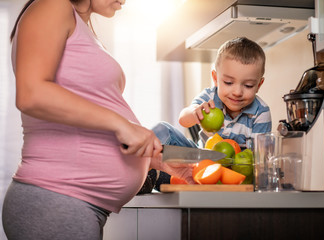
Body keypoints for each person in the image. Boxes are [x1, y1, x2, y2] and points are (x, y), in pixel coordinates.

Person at [2, 0, 194, 239]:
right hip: (57, 200)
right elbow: (32, 94)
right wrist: (122, 124)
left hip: (72, 204)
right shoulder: (52, 5)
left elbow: (87, 119)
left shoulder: (82, 26)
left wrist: (154, 160)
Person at [150, 37, 272, 188]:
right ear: (215, 78)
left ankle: (159, 178)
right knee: (162, 130)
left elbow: (259, 160)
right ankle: (145, 172)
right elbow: (183, 120)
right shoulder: (209, 97)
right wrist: (195, 113)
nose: (237, 92)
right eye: (228, 83)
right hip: (201, 160)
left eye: (248, 85)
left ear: (259, 84)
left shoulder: (261, 112)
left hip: (234, 173)